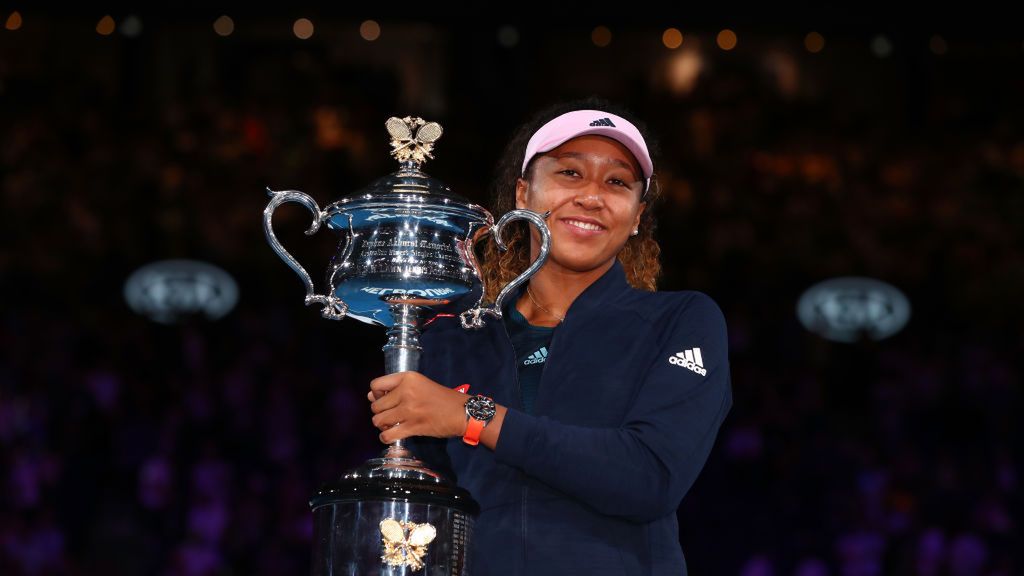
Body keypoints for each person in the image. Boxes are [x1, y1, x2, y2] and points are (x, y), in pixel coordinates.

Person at [366, 96, 733, 575]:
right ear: (523, 193)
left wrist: (473, 416)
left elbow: (649, 477)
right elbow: (427, 512)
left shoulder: (681, 321)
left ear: (638, 214)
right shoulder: (454, 335)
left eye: (617, 182)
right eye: (570, 173)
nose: (592, 196)